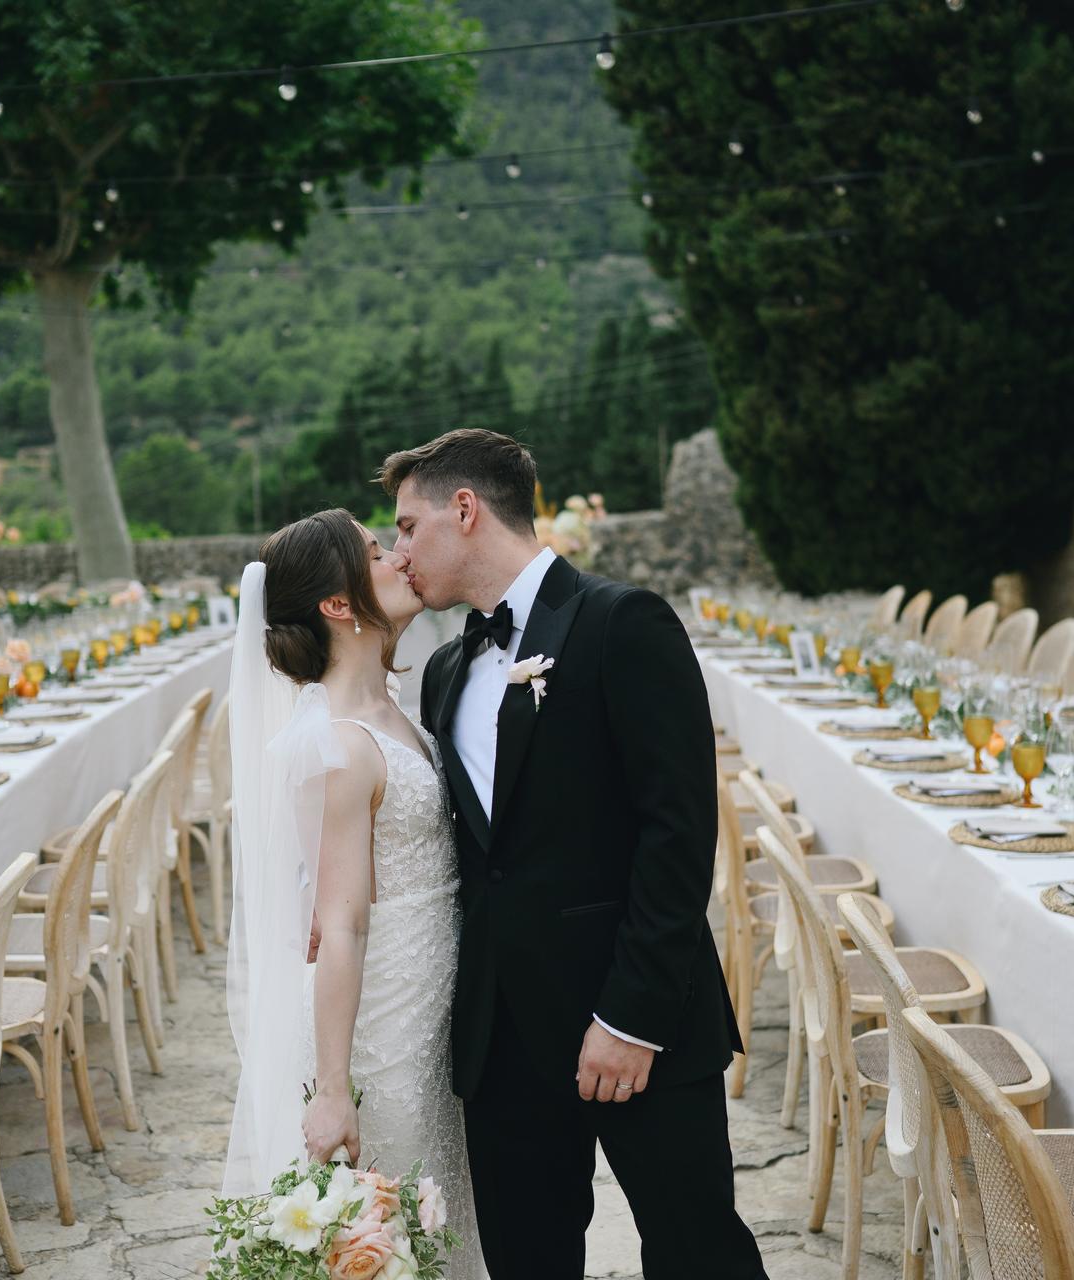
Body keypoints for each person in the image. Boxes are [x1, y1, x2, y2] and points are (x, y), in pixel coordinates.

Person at [382, 429, 765, 1280]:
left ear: (466, 510)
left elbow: (678, 834)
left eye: (408, 526)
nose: (398, 550)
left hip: (636, 1018)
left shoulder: (622, 622)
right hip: (504, 1039)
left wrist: (630, 1018)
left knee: (699, 1254)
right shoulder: (446, 669)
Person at [219, 509, 483, 1275]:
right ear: (337, 604)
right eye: (375, 553)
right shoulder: (336, 741)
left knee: (441, 1223)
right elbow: (342, 928)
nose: (401, 557)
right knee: (398, 1229)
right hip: (383, 1030)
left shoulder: (392, 709)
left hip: (432, 1011)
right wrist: (332, 1090)